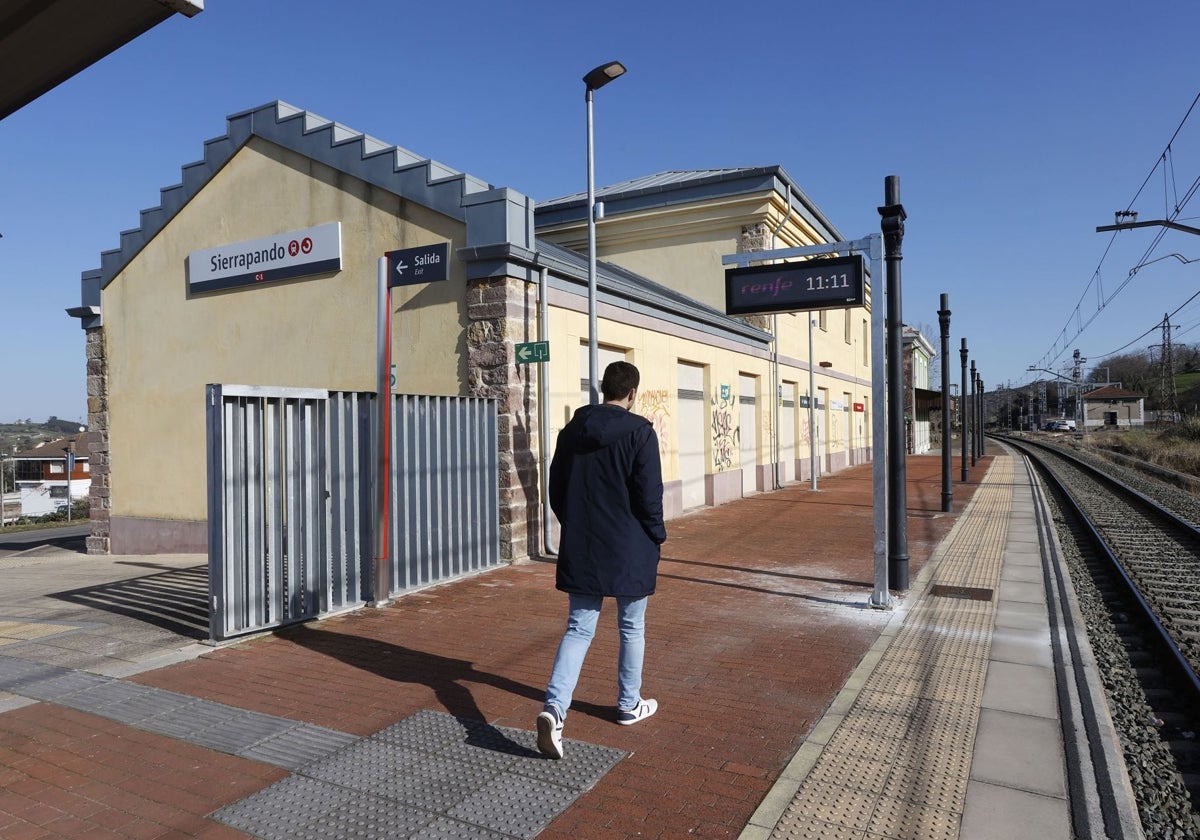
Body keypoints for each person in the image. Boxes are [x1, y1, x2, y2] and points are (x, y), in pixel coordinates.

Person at [536, 360, 667, 760]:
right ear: (632, 394)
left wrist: (574, 524)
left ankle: (555, 709)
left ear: (600, 389)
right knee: (632, 628)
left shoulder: (571, 432)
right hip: (630, 547)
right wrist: (657, 533)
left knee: (578, 629)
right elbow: (649, 496)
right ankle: (629, 705)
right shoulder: (641, 432)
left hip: (585, 546)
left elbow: (556, 490)